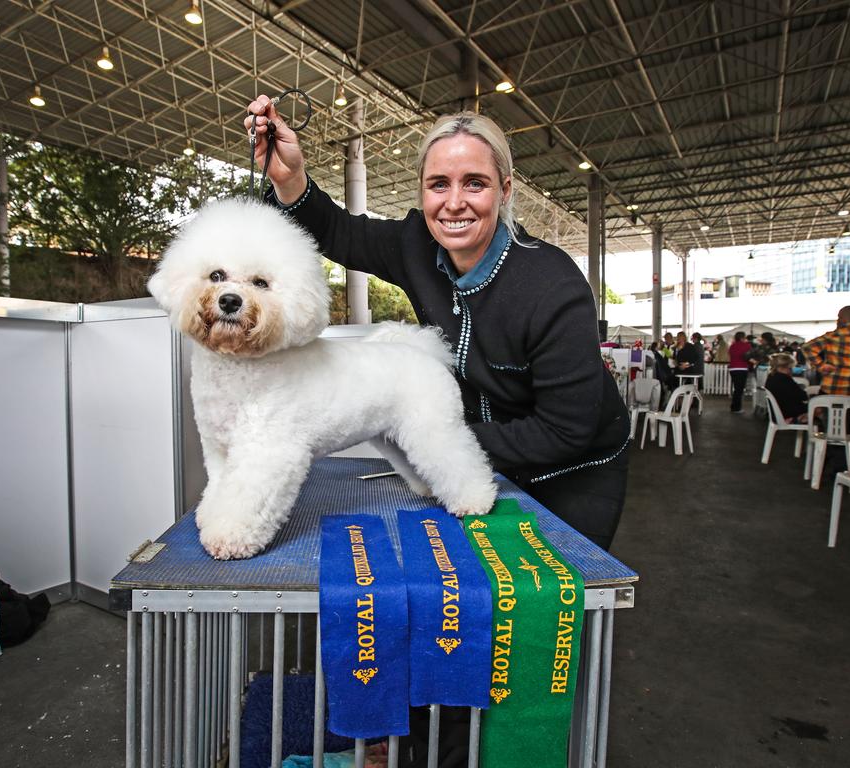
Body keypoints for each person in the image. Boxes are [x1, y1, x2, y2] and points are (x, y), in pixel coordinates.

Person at [244, 97, 630, 551]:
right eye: (438, 184)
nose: (454, 203)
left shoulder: (554, 286)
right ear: (422, 192)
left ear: (504, 190)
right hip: (467, 459)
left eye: (475, 184)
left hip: (571, 473)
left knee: (550, 605)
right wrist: (290, 179)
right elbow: (338, 232)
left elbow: (566, 431)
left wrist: (430, 435)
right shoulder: (415, 243)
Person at [765, 353, 808, 423]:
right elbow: (803, 396)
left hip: (777, 412)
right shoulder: (785, 379)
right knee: (818, 408)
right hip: (787, 413)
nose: (792, 370)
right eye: (790, 368)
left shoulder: (771, 377)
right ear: (783, 367)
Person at [728, 332, 752, 413]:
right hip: (742, 368)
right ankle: (736, 408)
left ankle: (734, 407)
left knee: (737, 388)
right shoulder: (747, 346)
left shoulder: (732, 346)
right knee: (739, 389)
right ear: (742, 337)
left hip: (732, 368)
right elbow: (748, 357)